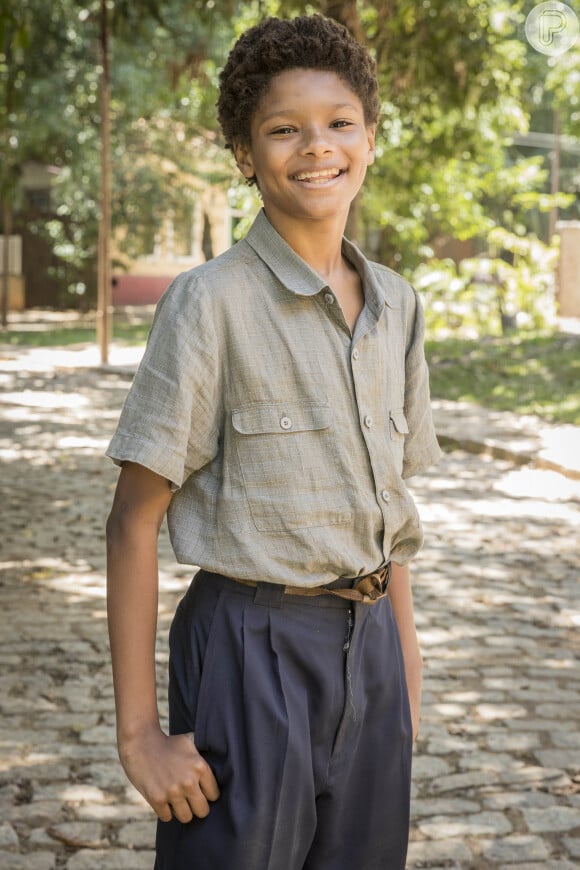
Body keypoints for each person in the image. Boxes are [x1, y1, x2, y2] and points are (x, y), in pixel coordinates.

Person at [106, 14, 441, 870]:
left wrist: (401, 665)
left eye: (338, 123)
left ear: (371, 137)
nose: (315, 147)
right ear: (245, 155)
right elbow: (133, 520)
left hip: (369, 653)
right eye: (283, 129)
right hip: (249, 647)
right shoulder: (209, 303)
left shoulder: (397, 305)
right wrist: (140, 734)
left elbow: (389, 505)